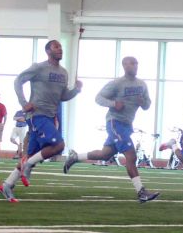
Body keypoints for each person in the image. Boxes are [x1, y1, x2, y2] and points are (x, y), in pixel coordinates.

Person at [63, 56, 160, 203]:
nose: (134, 66)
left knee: (104, 154)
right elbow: (98, 98)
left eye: (136, 64)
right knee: (131, 156)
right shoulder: (117, 83)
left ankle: (75, 157)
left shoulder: (142, 84)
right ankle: (141, 192)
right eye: (131, 63)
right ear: (124, 66)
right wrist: (114, 103)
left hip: (127, 125)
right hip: (115, 122)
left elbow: (147, 105)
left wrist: (143, 102)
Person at [0, 40, 82, 202]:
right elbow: (18, 81)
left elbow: (63, 96)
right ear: (48, 50)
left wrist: (76, 90)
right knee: (59, 146)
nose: (60, 49)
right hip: (37, 115)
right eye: (56, 47)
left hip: (50, 116)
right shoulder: (39, 67)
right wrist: (23, 103)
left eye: (61, 47)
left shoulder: (64, 72)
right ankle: (28, 165)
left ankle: (7, 185)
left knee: (32, 154)